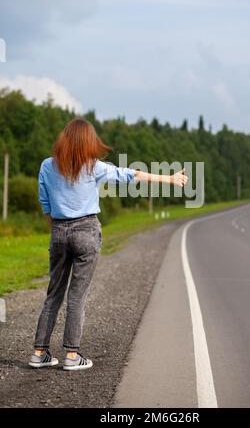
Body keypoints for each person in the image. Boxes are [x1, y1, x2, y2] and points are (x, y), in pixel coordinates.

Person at [29, 118, 188, 371]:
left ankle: (39, 352)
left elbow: (45, 204)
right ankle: (72, 356)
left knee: (54, 293)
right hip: (86, 231)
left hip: (58, 231)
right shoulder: (93, 167)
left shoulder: (47, 166)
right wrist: (169, 179)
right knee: (77, 296)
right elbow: (130, 175)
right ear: (88, 141)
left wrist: (60, 229)